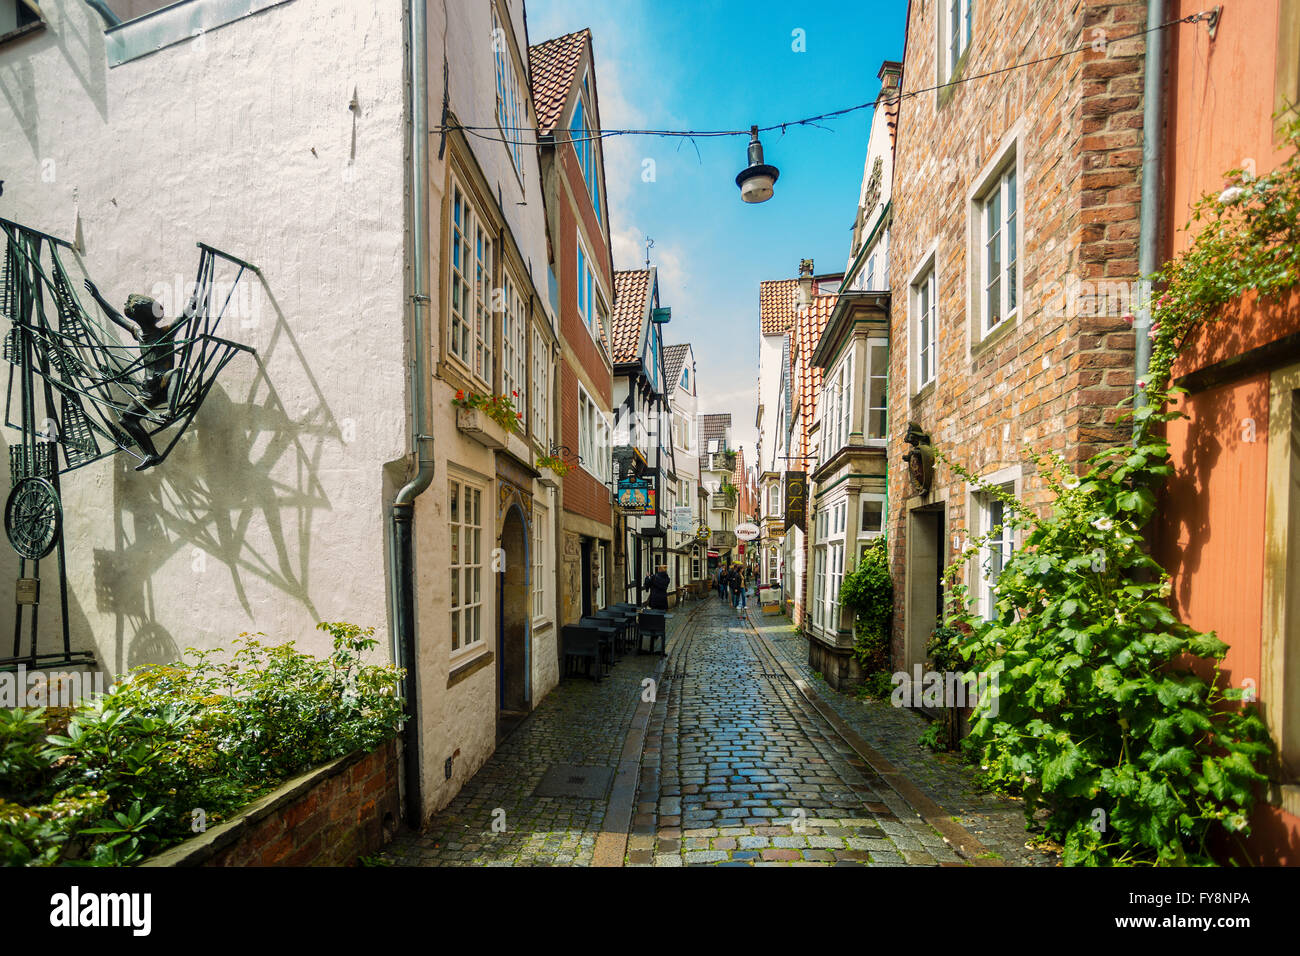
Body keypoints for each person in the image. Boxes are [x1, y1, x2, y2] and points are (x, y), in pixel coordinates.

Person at [84, 279, 191, 471]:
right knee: (127, 419)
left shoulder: (165, 333)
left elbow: (183, 317)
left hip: (165, 384)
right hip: (148, 390)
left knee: (177, 372)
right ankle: (151, 453)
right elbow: (116, 317)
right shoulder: (139, 334)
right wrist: (98, 297)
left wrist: (195, 303)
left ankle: (171, 412)